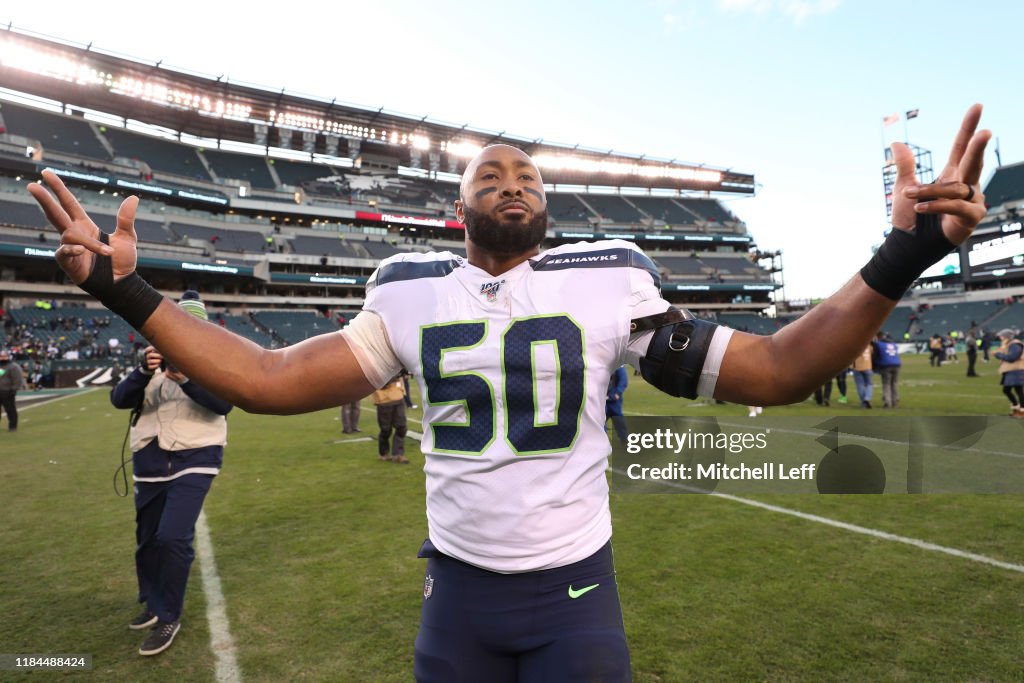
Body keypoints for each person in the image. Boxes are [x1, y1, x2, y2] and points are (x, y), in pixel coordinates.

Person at [28, 105, 991, 680]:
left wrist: (905, 251)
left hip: (577, 586)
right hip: (458, 589)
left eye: (528, 173)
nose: (513, 180)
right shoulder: (409, 288)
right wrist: (123, 288)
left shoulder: (609, 273)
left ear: (547, 203)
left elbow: (779, 369)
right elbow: (273, 378)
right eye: (491, 172)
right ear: (461, 206)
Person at [108, 292, 233, 657]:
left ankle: (168, 615)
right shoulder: (148, 360)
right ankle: (153, 600)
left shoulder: (212, 359)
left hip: (196, 455)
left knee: (173, 537)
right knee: (147, 540)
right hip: (149, 460)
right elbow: (119, 399)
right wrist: (144, 370)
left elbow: (223, 404)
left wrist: (186, 379)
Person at [373, 373, 409, 463]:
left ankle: (398, 454)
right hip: (384, 400)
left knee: (401, 427)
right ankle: (383, 453)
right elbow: (377, 381)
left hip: (398, 397)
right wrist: (393, 377)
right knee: (386, 430)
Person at [994, 329, 1024, 418]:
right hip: (1013, 370)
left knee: (1011, 390)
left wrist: (998, 354)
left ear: (1006, 337)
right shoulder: (1010, 344)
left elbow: (1012, 358)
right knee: (1015, 390)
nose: (1000, 337)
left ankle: (1020, 410)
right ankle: (1018, 409)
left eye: (1001, 336)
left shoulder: (1014, 344)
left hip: (1016, 370)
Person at [873, 331, 903, 408]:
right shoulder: (893, 344)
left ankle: (887, 402)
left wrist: (875, 367)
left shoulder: (878, 344)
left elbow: (875, 357)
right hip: (897, 364)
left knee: (886, 384)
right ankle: (895, 400)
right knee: (894, 383)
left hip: (886, 365)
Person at [0, 348, 25, 431]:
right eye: (1, 356)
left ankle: (13, 426)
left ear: (8, 357)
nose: (2, 358)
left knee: (10, 410)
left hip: (7, 391)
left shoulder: (13, 367)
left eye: (4, 356)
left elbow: (17, 379)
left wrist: (14, 389)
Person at [605, 364, 629, 441]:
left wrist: (616, 393)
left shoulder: (618, 365)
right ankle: (602, 443)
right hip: (600, 400)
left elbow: (623, 380)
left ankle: (625, 441)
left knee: (619, 421)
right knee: (600, 422)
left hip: (614, 400)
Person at [850, 342, 874, 408]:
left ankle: (863, 402)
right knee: (869, 384)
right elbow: (872, 352)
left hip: (857, 367)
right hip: (867, 366)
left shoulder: (855, 346)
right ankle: (867, 398)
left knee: (860, 385)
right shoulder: (869, 346)